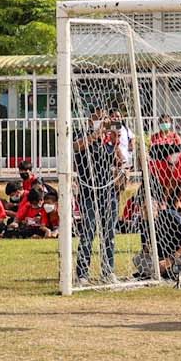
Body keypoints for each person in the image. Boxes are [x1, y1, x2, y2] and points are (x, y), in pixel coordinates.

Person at [73, 111, 121, 283]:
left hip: (108, 192)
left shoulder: (107, 141)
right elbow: (75, 147)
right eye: (97, 117)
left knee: (109, 233)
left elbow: (118, 161)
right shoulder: (81, 135)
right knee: (88, 232)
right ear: (89, 120)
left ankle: (108, 271)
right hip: (89, 193)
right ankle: (82, 274)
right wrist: (96, 134)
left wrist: (116, 140)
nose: (101, 121)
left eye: (103, 118)